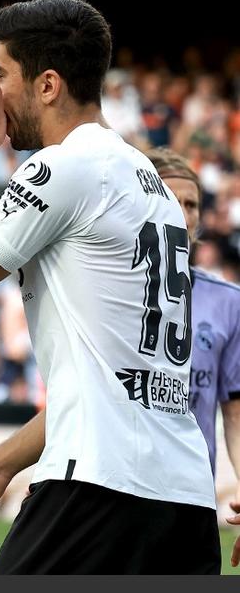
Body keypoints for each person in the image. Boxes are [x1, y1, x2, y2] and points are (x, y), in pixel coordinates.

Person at [0, 0, 219, 573]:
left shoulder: (66, 167)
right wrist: (3, 463)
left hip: (99, 489)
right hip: (182, 498)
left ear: (48, 84)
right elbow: (114, 384)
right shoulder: (148, 186)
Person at [146, 147, 240, 566]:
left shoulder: (228, 302)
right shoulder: (108, 290)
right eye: (171, 200)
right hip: (112, 492)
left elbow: (235, 414)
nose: (183, 214)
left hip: (190, 497)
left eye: (192, 205)